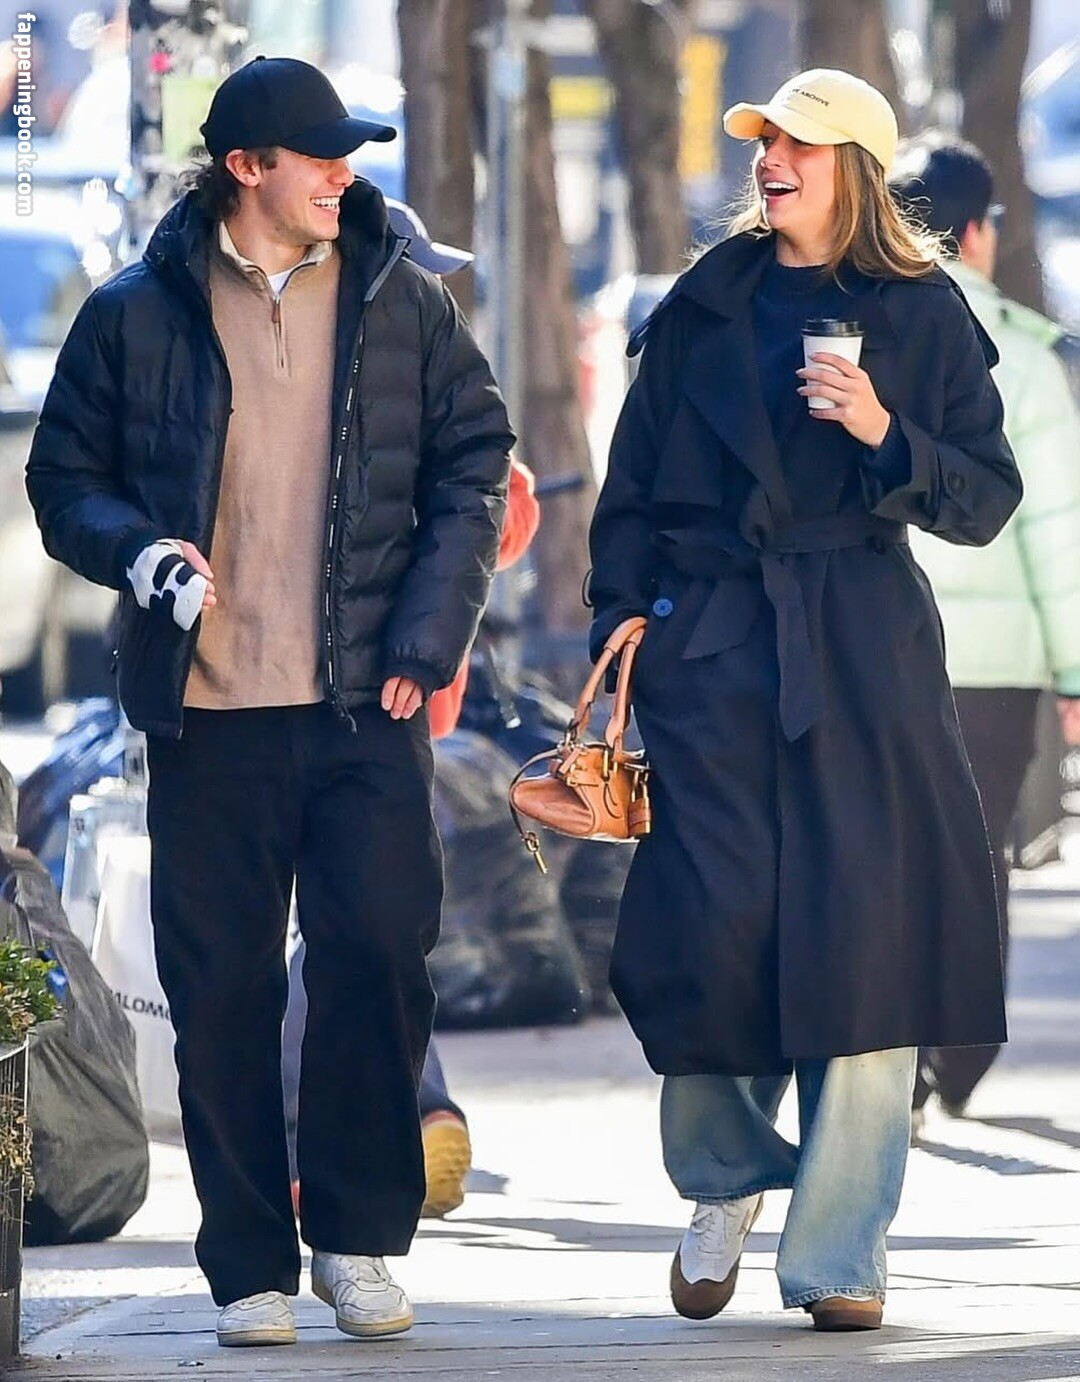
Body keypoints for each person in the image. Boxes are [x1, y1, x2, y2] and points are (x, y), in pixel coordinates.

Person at [25, 56, 513, 1348]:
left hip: (366, 704)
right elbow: (63, 478)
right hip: (209, 713)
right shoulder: (135, 313)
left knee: (379, 960)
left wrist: (431, 630)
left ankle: (357, 1236)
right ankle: (248, 1262)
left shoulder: (402, 299)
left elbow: (476, 461)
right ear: (247, 167)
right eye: (321, 156)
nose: (344, 175)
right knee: (222, 994)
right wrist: (140, 551)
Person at [587, 68, 1020, 1332]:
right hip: (715, 652)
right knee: (709, 935)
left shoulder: (925, 312)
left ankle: (839, 1248)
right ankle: (723, 1178)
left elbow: (986, 497)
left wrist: (886, 429)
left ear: (858, 170)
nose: (772, 160)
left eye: (802, 145)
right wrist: (626, 615)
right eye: (765, 141)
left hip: (866, 654)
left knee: (867, 948)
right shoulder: (703, 303)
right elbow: (631, 486)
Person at [279, 197, 541, 1222]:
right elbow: (510, 511)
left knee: (334, 928)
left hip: (350, 706)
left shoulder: (389, 370)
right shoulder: (429, 376)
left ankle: (388, 1113)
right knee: (368, 925)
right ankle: (406, 1109)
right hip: (408, 707)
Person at [889, 131, 1080, 1123]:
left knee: (885, 845)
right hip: (998, 667)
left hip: (879, 645)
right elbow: (1058, 529)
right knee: (977, 852)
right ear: (975, 232)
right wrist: (1076, 673)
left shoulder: (855, 334)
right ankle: (954, 1054)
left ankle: (891, 1052)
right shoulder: (1026, 357)